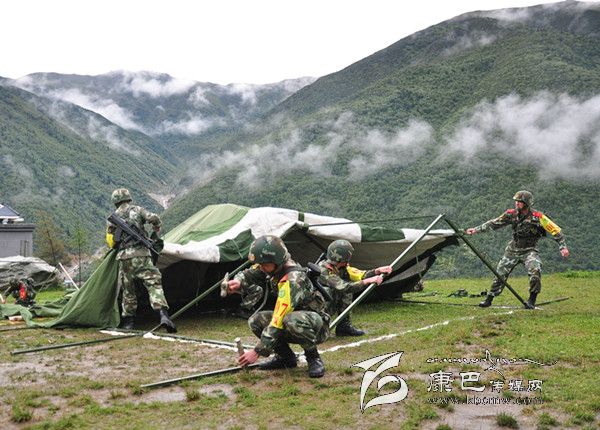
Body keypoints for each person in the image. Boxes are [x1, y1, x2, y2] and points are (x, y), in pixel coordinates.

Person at [226, 235, 329, 378]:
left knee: (289, 319)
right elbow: (250, 273)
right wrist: (238, 281)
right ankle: (286, 358)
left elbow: (278, 318)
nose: (261, 268)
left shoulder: (292, 280)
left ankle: (313, 358)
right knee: (256, 321)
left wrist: (257, 351)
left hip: (316, 325)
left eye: (264, 264)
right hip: (291, 320)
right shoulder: (271, 266)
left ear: (277, 261)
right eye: (260, 264)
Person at [466, 190, 569, 309]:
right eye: (516, 201)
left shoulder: (538, 217)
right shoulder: (511, 214)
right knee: (500, 274)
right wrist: (476, 230)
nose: (516, 203)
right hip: (512, 250)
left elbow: (556, 231)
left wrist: (563, 247)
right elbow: (494, 223)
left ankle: (532, 300)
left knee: (535, 271)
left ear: (527, 203)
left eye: (519, 201)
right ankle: (489, 299)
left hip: (530, 250)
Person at [106, 188, 176, 332]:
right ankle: (163, 315)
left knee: (128, 290)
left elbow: (111, 240)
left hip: (124, 258)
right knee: (154, 283)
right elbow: (153, 218)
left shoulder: (113, 218)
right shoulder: (138, 210)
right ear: (128, 198)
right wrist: (157, 226)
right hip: (142, 255)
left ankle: (128, 322)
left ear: (115, 201)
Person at [318, 240, 392, 336]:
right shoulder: (323, 271)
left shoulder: (340, 267)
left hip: (326, 305)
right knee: (339, 290)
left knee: (346, 291)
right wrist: (368, 281)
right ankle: (319, 326)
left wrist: (376, 271)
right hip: (317, 308)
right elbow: (344, 287)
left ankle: (344, 327)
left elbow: (359, 274)